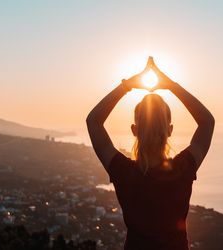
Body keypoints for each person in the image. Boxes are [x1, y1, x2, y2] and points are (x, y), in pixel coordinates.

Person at [86, 57, 215, 250]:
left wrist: (127, 86)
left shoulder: (124, 171)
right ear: (170, 130)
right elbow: (207, 122)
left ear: (134, 129)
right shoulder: (182, 168)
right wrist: (172, 86)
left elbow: (93, 121)